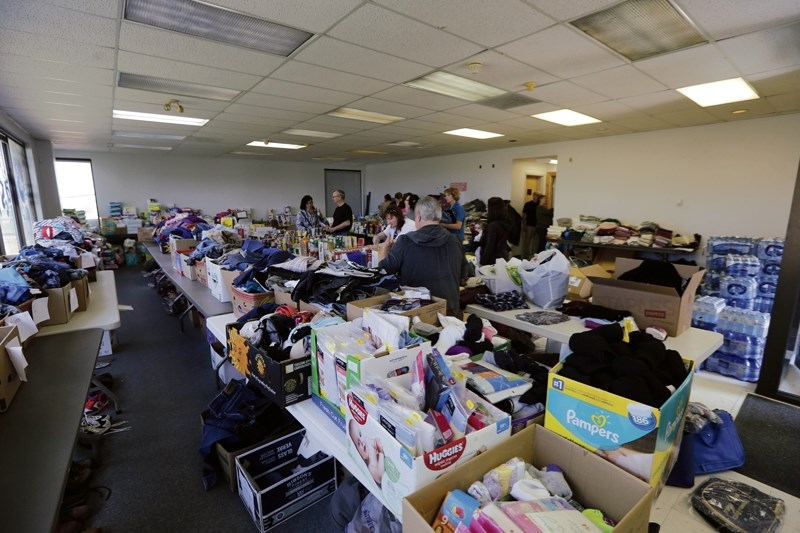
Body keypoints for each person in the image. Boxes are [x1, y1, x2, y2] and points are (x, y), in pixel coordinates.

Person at [379, 196, 468, 317]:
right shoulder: (455, 241)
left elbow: (384, 270)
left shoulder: (405, 241)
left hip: (417, 315)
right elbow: (464, 275)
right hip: (449, 313)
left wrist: (385, 248)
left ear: (419, 216)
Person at [348, 419, 384, 486]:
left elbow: (376, 440)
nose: (361, 441)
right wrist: (381, 452)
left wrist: (376, 442)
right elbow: (379, 478)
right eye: (358, 443)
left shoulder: (367, 441)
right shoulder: (371, 466)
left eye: (360, 435)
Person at [478, 197, 511, 266]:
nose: (486, 209)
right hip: (501, 256)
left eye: (488, 206)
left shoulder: (493, 226)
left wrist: (482, 262)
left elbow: (489, 246)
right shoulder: (504, 222)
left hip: (492, 259)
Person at [522, 193, 540, 258]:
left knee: (536, 242)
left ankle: (534, 256)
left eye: (537, 196)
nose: (536, 197)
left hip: (538, 226)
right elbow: (524, 215)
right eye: (535, 195)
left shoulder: (539, 205)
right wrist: (524, 225)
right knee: (527, 241)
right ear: (533, 196)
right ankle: (525, 256)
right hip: (529, 225)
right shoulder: (528, 204)